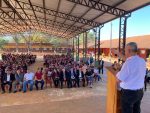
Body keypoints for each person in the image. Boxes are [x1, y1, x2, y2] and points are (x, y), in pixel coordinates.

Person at [112, 42, 146, 113]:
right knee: (136, 110)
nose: (125, 52)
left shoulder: (128, 64)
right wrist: (117, 53)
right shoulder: (142, 61)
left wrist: (116, 69)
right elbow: (127, 59)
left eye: (125, 50)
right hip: (139, 92)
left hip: (129, 94)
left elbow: (119, 79)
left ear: (129, 50)